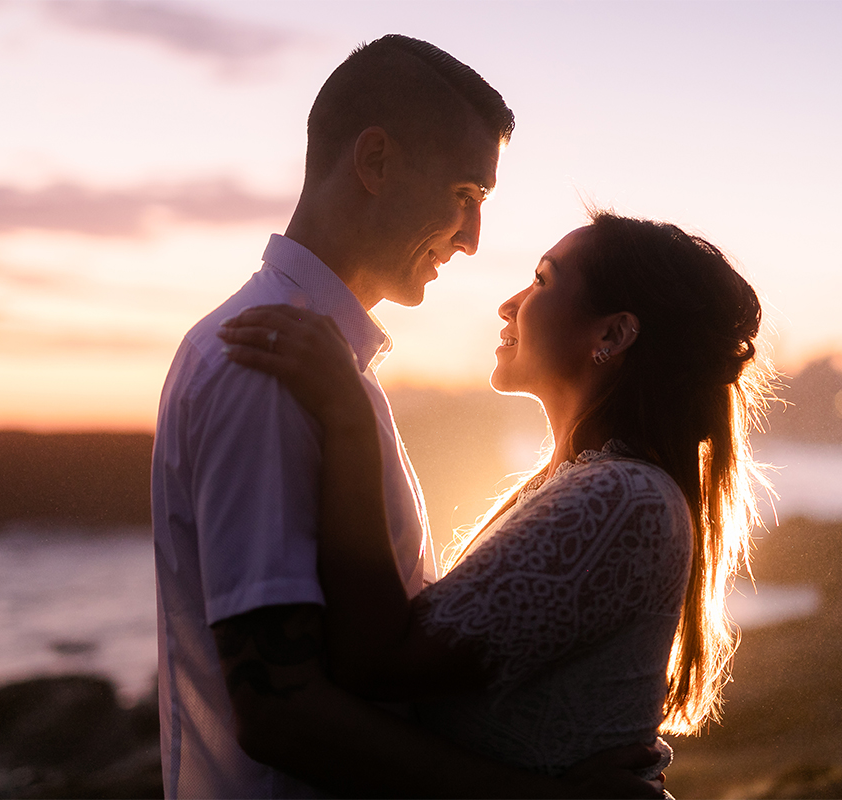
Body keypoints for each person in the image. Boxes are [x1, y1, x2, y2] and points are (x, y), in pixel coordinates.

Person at [150, 35, 659, 797]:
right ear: (376, 161)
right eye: (466, 195)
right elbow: (279, 711)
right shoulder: (262, 364)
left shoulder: (323, 368)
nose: (472, 238)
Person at [218, 212, 764, 795]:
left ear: (611, 336)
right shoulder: (571, 485)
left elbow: (378, 663)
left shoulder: (620, 497)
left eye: (542, 281)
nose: (510, 303)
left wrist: (347, 419)